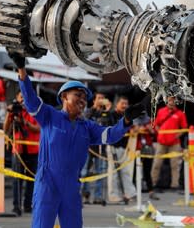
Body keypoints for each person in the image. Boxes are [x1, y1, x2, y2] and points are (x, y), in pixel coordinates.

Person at [9, 52, 144, 228]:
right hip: (47, 183)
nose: (82, 100)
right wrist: (21, 70)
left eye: (84, 97)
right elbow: (31, 101)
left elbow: (110, 135)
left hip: (71, 186)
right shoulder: (50, 116)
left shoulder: (88, 127)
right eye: (77, 95)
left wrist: (125, 121)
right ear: (64, 96)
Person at [3, 90, 41, 215]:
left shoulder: (36, 110)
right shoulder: (15, 111)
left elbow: (38, 128)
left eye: (26, 97)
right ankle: (16, 205)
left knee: (31, 179)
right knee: (16, 179)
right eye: (21, 97)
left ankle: (28, 205)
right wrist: (9, 114)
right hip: (18, 149)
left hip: (33, 149)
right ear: (17, 98)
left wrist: (25, 123)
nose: (23, 100)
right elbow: (6, 129)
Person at [82, 92, 113, 205]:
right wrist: (97, 109)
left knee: (100, 172)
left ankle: (98, 196)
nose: (101, 100)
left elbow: (110, 125)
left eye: (103, 98)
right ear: (94, 100)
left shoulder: (106, 113)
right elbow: (86, 122)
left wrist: (108, 110)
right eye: (99, 98)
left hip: (101, 147)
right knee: (85, 171)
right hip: (88, 147)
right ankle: (83, 195)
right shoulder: (89, 111)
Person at [151, 95, 188, 190]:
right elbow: (156, 125)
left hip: (174, 143)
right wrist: (160, 132)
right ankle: (152, 183)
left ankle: (174, 184)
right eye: (170, 100)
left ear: (176, 102)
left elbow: (184, 128)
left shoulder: (180, 113)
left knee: (175, 165)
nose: (171, 102)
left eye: (173, 100)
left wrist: (177, 135)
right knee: (156, 164)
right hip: (161, 142)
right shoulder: (161, 111)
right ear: (166, 101)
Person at [108, 96, 137, 203]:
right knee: (114, 172)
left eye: (126, 103)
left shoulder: (127, 116)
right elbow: (111, 128)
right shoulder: (111, 115)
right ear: (117, 104)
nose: (124, 105)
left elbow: (132, 127)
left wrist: (134, 129)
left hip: (124, 147)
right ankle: (113, 195)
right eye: (122, 103)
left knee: (125, 170)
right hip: (113, 146)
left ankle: (130, 193)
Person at [134, 114, 159, 200]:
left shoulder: (149, 120)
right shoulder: (133, 120)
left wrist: (150, 129)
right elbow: (129, 130)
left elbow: (156, 133)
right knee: (134, 171)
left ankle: (151, 191)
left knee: (147, 171)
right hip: (136, 148)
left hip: (147, 147)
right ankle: (133, 192)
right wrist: (136, 129)